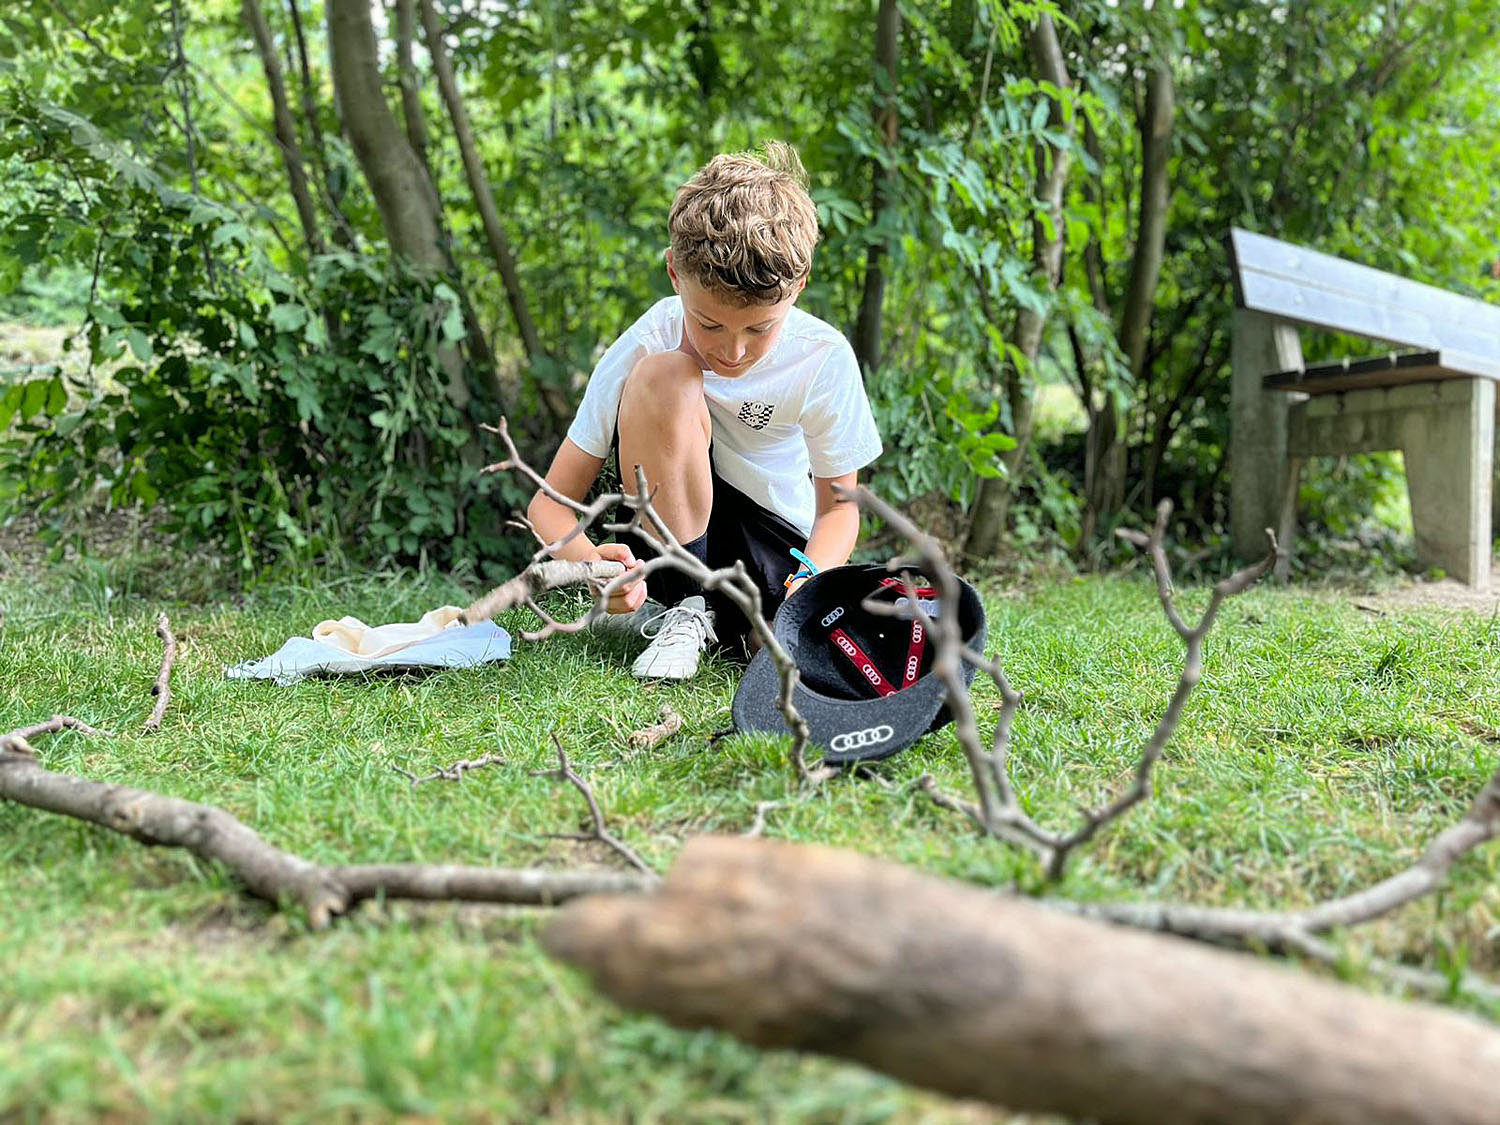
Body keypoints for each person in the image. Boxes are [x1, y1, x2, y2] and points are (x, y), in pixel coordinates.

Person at [526, 141, 882, 680]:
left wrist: (812, 576)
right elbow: (548, 505)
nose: (732, 352)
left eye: (760, 328)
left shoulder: (822, 356)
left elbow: (839, 509)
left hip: (775, 555)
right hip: (668, 550)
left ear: (799, 285)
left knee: (787, 649)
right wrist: (593, 565)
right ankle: (680, 609)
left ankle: (743, 625)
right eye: (709, 323)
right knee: (668, 375)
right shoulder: (649, 339)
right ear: (674, 273)